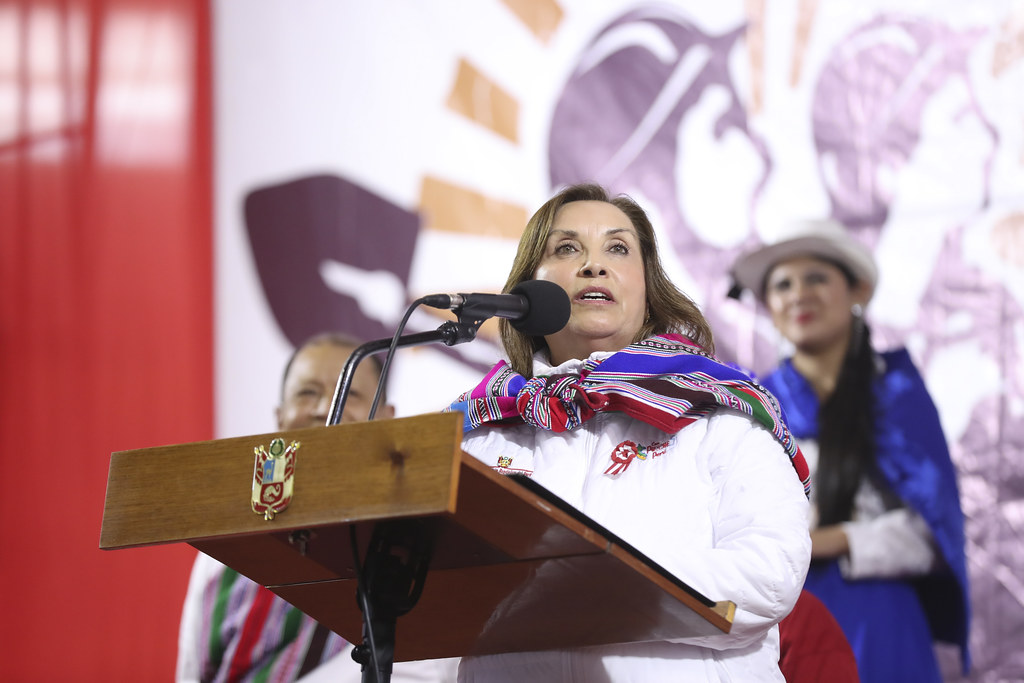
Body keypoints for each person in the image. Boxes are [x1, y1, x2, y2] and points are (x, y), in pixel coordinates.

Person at [443, 183, 812, 681]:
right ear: (528, 289)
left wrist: (592, 578)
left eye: (617, 248)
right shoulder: (477, 430)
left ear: (647, 287)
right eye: (566, 248)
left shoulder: (719, 410)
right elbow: (427, 601)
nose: (593, 265)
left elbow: (770, 575)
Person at [729, 219, 971, 682]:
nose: (799, 295)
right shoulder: (753, 405)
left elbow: (934, 534)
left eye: (816, 278)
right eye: (782, 285)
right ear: (770, 309)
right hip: (783, 618)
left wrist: (835, 539)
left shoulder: (898, 397)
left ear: (857, 290)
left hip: (882, 619)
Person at [176, 332, 459, 683]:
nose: (325, 408)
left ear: (387, 419)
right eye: (307, 393)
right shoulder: (229, 541)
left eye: (349, 393)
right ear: (280, 417)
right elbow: (191, 671)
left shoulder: (415, 540)